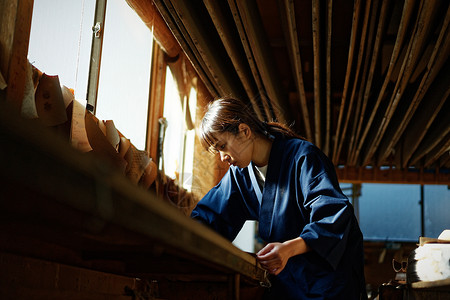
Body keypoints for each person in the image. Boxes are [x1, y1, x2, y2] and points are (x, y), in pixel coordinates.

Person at [191, 97, 367, 299]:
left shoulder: (303, 157)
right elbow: (210, 217)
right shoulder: (240, 176)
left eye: (222, 146)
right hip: (290, 279)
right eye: (217, 151)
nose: (222, 157)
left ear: (244, 131)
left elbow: (332, 217)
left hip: (328, 278)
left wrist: (288, 249)